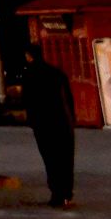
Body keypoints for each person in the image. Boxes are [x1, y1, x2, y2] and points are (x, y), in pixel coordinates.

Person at [21, 43, 77, 208]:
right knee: (65, 158)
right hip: (64, 122)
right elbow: (69, 98)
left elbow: (28, 100)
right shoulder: (57, 73)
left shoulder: (30, 74)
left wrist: (31, 120)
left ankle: (57, 194)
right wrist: (72, 119)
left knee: (51, 159)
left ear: (29, 56)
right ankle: (66, 194)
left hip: (44, 123)